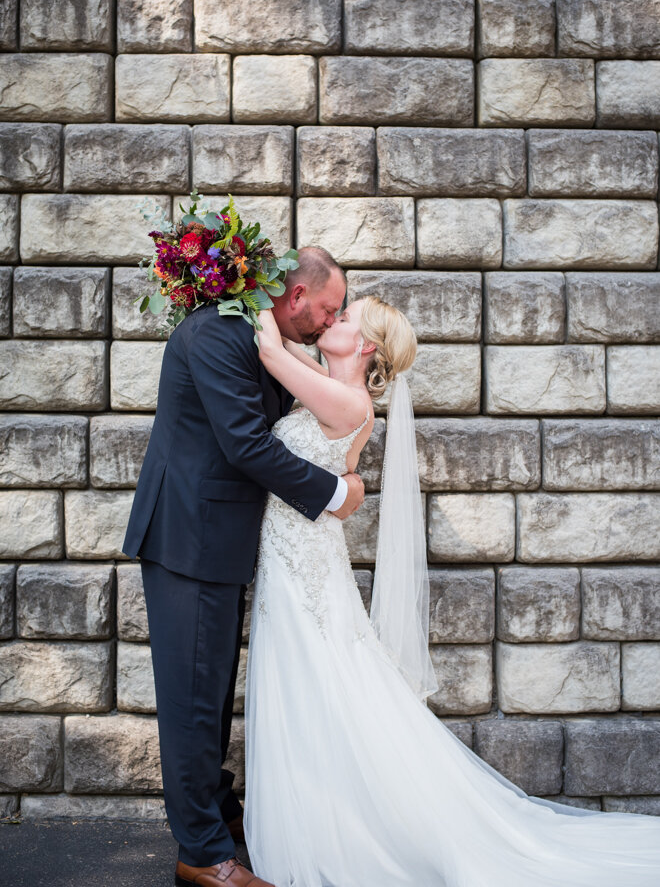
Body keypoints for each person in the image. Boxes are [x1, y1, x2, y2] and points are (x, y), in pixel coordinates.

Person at [244, 295, 660, 887]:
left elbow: (267, 346)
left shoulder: (348, 400)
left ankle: (345, 828)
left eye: (344, 318)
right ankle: (328, 814)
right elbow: (283, 347)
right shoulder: (328, 384)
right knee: (314, 684)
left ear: (365, 346)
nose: (330, 320)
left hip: (303, 566)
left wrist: (244, 276)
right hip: (298, 560)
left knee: (319, 681)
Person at [121, 247, 365, 887]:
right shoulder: (215, 334)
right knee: (191, 700)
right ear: (297, 296)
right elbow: (245, 443)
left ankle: (219, 810)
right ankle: (201, 855)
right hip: (188, 540)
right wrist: (333, 494)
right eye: (329, 307)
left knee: (212, 692)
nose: (330, 319)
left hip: (222, 541)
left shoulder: (264, 339)